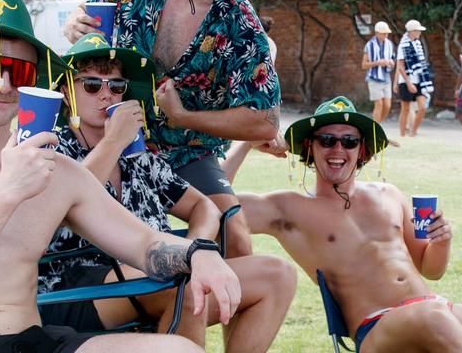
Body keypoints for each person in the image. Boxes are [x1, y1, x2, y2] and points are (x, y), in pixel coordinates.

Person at [0, 0, 242, 353]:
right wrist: (7, 188)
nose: (3, 83)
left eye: (19, 70)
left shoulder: (55, 170)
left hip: (35, 340)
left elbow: (144, 244)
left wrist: (198, 252)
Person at [64, 0, 281, 259]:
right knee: (58, 218)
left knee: (236, 237)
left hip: (186, 154)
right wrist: (73, 20)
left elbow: (264, 120)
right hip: (104, 138)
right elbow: (86, 23)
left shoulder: (239, 21)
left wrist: (184, 117)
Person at [39, 34, 295, 351]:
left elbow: (204, 208)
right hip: (76, 289)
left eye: (116, 86)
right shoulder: (52, 148)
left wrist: (191, 249)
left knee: (277, 274)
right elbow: (63, 207)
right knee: (182, 283)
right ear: (66, 92)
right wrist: (112, 142)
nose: (106, 95)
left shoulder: (139, 157)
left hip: (155, 279)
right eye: (92, 85)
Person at [237, 96, 462, 352]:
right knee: (433, 316)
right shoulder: (288, 209)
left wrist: (441, 241)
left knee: (435, 313)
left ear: (360, 150)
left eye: (349, 141)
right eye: (327, 140)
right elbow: (214, 204)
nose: (338, 149)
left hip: (434, 306)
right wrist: (246, 145)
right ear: (310, 146)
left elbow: (431, 269)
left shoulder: (389, 194)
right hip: (377, 325)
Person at [395, 19, 433, 137]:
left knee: (422, 107)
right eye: (418, 30)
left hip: (419, 81)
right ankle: (402, 135)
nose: (420, 33)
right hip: (406, 82)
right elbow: (400, 67)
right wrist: (409, 83)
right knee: (405, 109)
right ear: (412, 31)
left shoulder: (417, 44)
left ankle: (413, 132)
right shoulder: (403, 45)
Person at [361, 21, 394, 122]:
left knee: (387, 105)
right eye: (384, 33)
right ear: (377, 33)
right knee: (379, 103)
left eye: (387, 33)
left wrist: (391, 63)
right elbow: (363, 65)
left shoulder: (389, 44)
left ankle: (378, 125)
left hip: (386, 78)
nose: (386, 35)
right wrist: (377, 63)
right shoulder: (369, 45)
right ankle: (376, 127)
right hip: (374, 78)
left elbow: (393, 60)